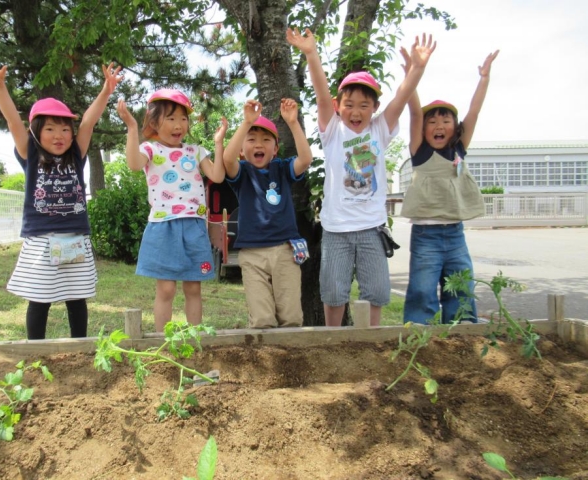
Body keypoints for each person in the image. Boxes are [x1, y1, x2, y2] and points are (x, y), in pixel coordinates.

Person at [286, 28, 436, 326]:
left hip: (371, 228)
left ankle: (372, 343)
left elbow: (402, 97)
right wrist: (311, 54)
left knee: (377, 291)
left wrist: (417, 69)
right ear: (339, 107)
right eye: (349, 105)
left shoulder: (379, 129)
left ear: (374, 109)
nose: (356, 111)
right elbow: (320, 93)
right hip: (336, 229)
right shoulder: (333, 131)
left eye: (364, 105)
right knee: (333, 291)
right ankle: (332, 341)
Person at [0, 50, 123, 340]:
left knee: (76, 298)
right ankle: (34, 349)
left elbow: (88, 122)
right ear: (36, 132)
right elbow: (14, 122)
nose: (59, 135)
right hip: (41, 239)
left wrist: (106, 89)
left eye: (65, 128)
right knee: (39, 298)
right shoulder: (30, 155)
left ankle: (79, 345)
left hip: (75, 238)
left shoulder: (76, 155)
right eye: (50, 128)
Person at [400, 49, 500, 324]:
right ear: (424, 130)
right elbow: (413, 114)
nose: (438, 125)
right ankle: (415, 331)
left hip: (456, 235)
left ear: (454, 127)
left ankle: (461, 334)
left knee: (462, 286)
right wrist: (412, 74)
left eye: (445, 121)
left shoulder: (459, 149)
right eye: (432, 122)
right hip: (426, 236)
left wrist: (484, 79)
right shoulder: (420, 151)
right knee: (422, 289)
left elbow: (474, 111)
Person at [117, 90, 226, 331]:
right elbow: (134, 164)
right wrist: (132, 128)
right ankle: (162, 340)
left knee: (193, 287)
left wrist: (218, 144)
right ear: (155, 122)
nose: (179, 125)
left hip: (194, 225)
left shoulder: (196, 151)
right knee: (166, 288)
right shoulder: (150, 149)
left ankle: (195, 337)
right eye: (171, 118)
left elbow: (217, 176)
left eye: (183, 118)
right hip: (162, 225)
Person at [222, 98, 313, 328]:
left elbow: (305, 159)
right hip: (252, 255)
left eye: (265, 140)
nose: (258, 144)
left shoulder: (281, 169)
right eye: (251, 140)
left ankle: (289, 360)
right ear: (242, 149)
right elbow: (226, 159)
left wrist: (292, 123)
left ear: (275, 149)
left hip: (284, 251)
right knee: (262, 320)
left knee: (291, 318)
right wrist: (245, 123)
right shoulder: (241, 173)